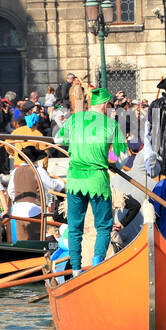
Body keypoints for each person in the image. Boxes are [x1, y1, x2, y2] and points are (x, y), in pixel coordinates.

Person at [56, 88, 127, 274]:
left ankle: (76, 270)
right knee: (104, 226)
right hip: (97, 180)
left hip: (75, 180)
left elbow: (57, 140)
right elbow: (123, 158)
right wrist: (109, 161)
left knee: (74, 228)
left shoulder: (74, 119)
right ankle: (97, 262)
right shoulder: (111, 125)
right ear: (104, 104)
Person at [7, 145, 63, 242]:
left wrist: (18, 201)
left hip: (18, 211)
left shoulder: (15, 171)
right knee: (36, 239)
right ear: (36, 159)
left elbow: (10, 191)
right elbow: (52, 186)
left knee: (22, 241)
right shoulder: (38, 170)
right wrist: (62, 185)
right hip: (34, 210)